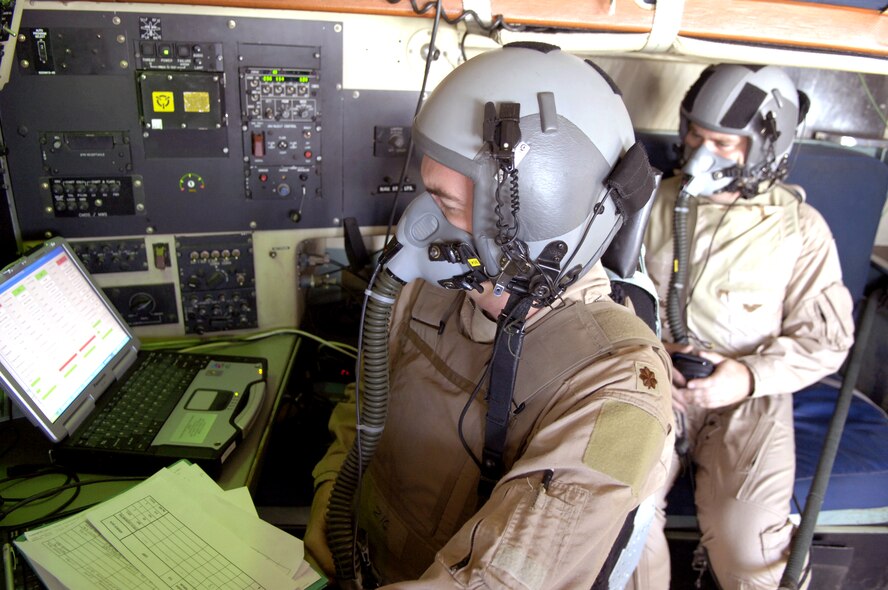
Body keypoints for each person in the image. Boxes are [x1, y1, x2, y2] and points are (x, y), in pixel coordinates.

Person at [303, 43, 675, 589]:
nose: (418, 226)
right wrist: (329, 505)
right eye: (426, 195)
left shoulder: (616, 389)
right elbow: (367, 403)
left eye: (446, 205)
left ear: (539, 218)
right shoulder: (426, 290)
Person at [636, 64, 855, 590]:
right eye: (695, 136)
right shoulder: (647, 204)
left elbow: (826, 340)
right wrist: (649, 351)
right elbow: (607, 296)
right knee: (623, 517)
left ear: (764, 149)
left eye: (721, 143)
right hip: (653, 379)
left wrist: (748, 377)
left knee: (748, 543)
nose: (701, 154)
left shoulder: (800, 229)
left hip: (749, 393)